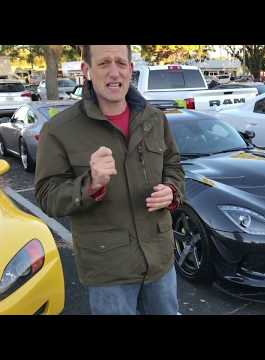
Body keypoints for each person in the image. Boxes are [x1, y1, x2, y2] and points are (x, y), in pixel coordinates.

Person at [35, 45, 185, 315]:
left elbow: (174, 165)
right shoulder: (59, 130)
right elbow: (47, 196)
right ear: (86, 71)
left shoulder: (155, 119)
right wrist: (90, 184)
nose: (114, 72)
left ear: (131, 69)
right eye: (104, 63)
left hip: (160, 262)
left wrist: (172, 191)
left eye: (121, 63)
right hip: (108, 270)